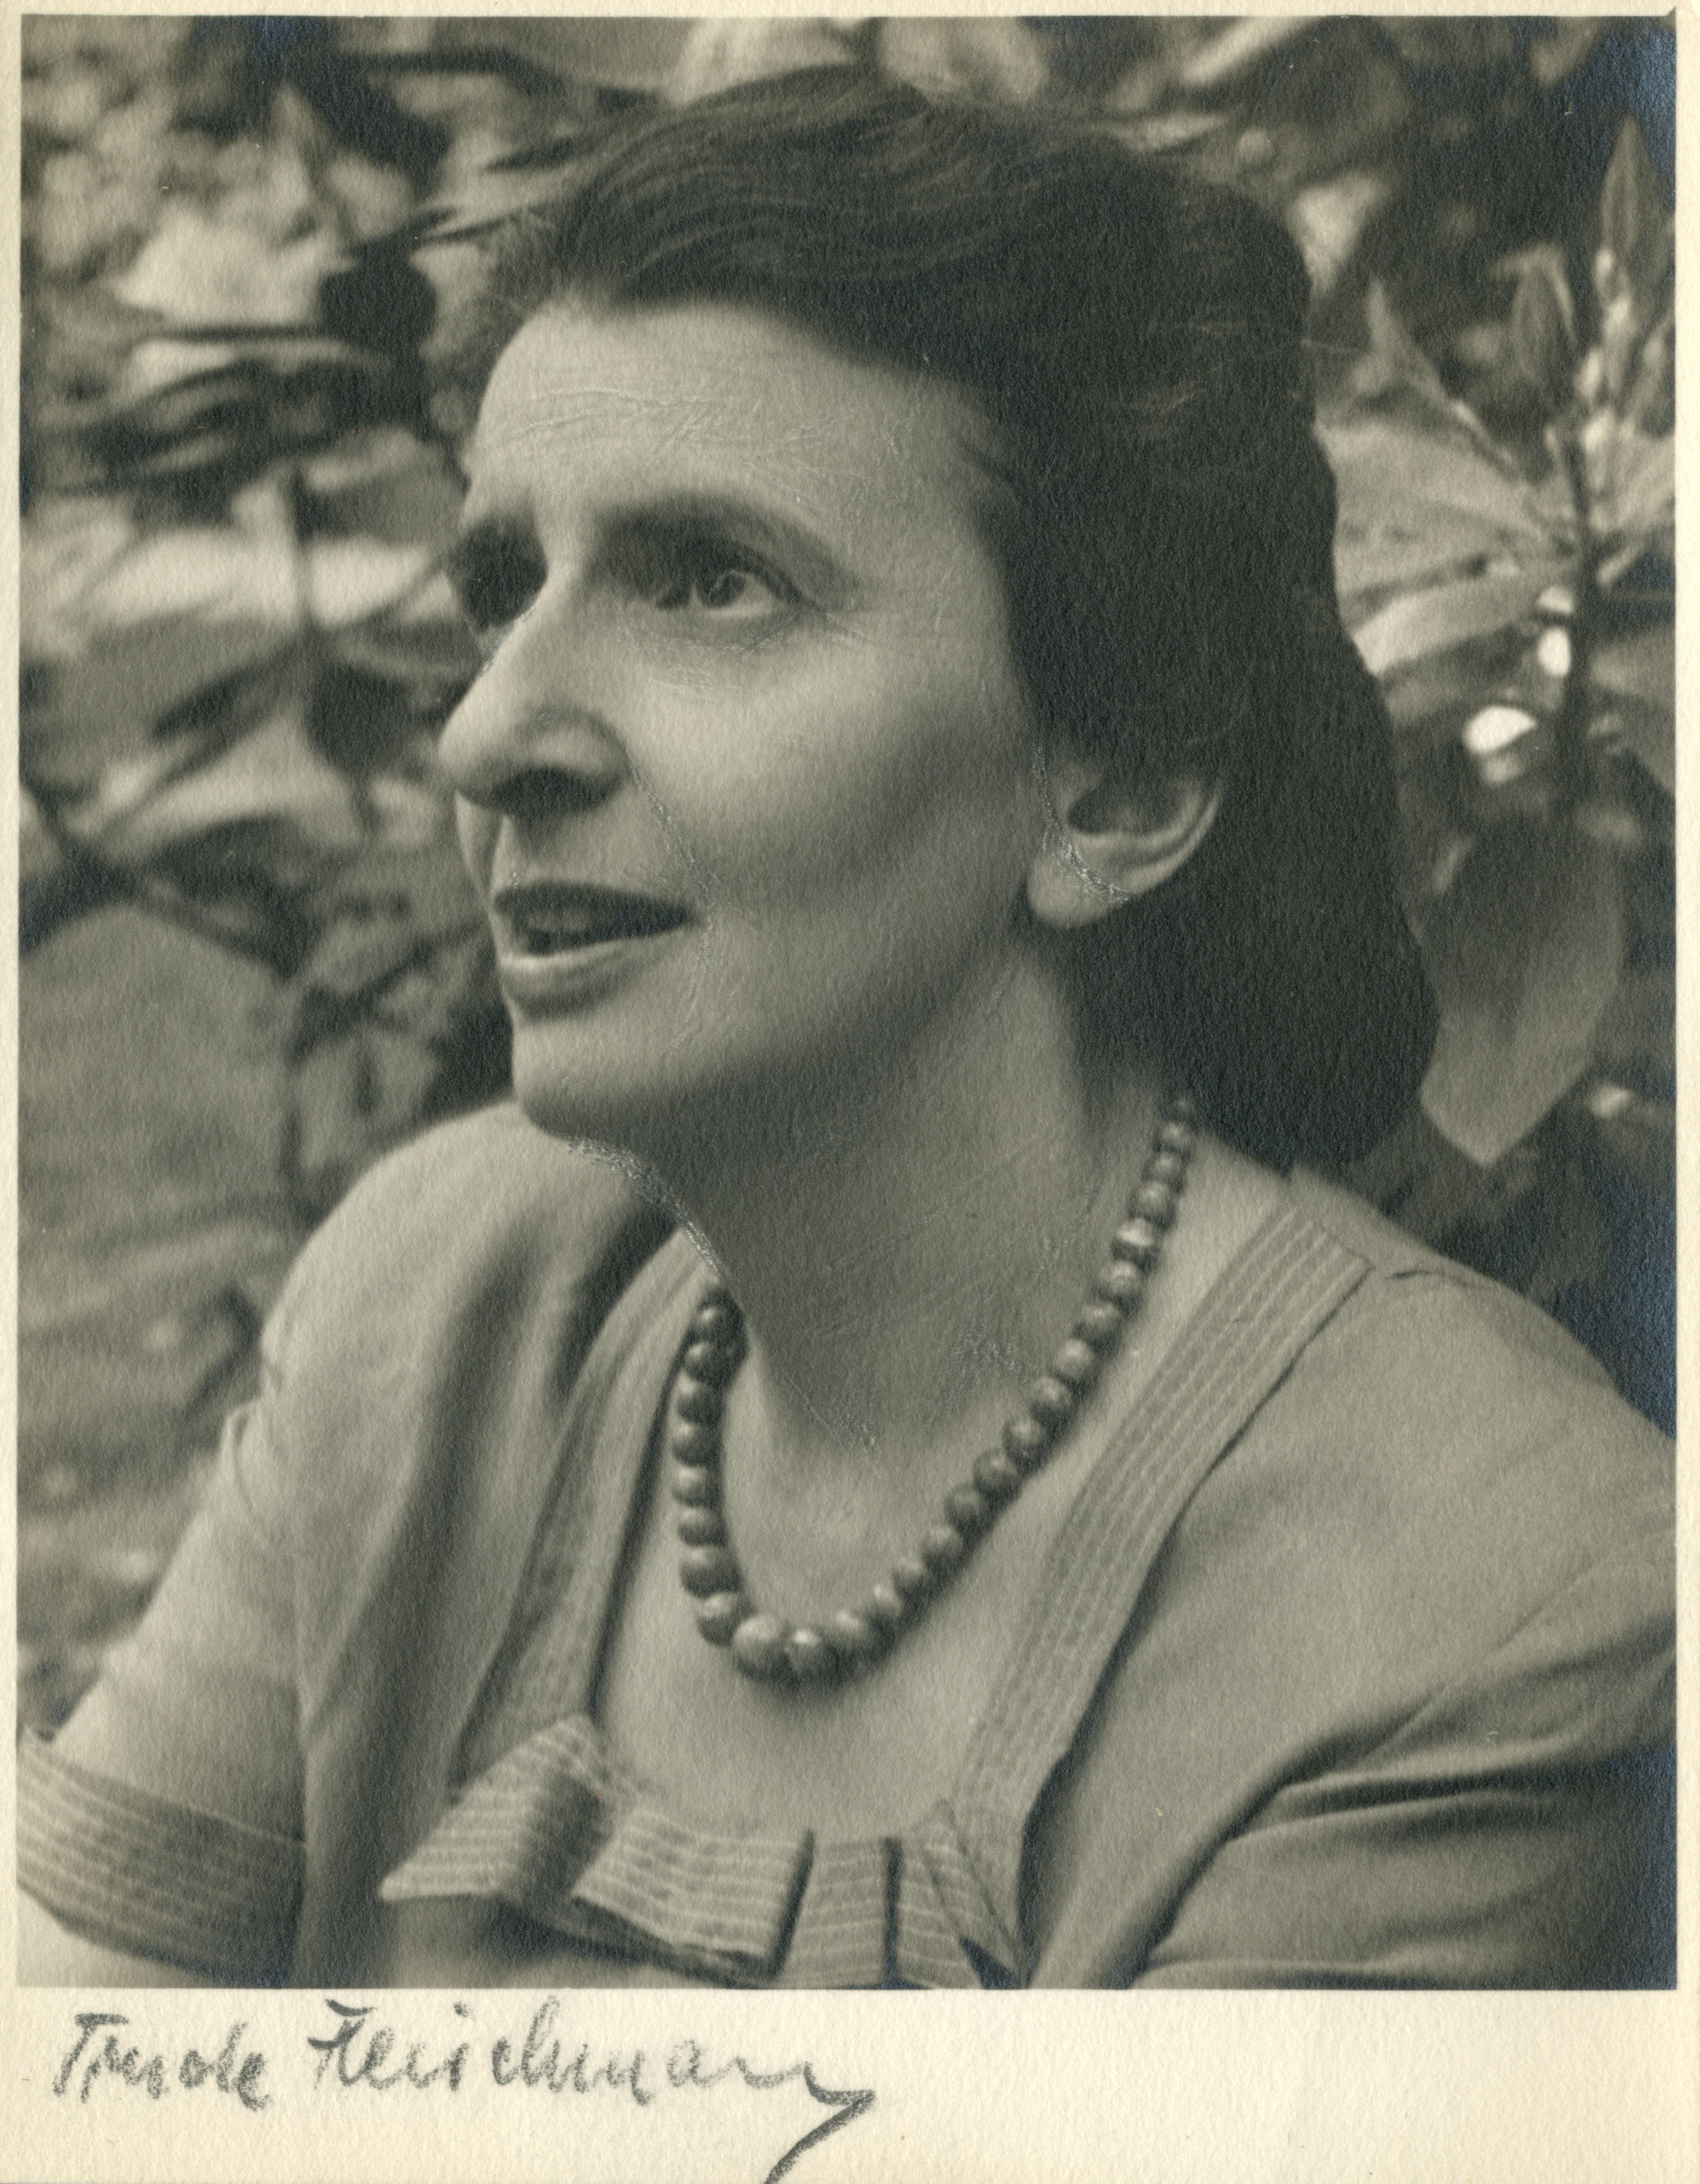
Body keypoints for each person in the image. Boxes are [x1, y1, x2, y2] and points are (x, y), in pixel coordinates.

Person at [18, 71, 1674, 1990]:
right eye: (503, 588)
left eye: (712, 582)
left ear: (1120, 784)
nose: (486, 734)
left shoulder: (1484, 1581)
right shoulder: (438, 1300)